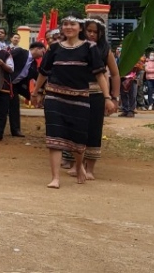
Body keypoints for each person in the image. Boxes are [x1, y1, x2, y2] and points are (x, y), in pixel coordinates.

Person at [32, 15, 115, 189]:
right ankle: (55, 178)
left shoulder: (89, 48)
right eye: (66, 24)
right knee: (54, 136)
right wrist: (36, 92)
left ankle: (79, 166)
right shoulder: (54, 48)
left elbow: (100, 74)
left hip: (80, 98)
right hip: (55, 97)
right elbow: (43, 72)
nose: (68, 27)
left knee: (79, 137)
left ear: (80, 27)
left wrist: (108, 98)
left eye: (73, 24)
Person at [77, 19, 120, 180]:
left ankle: (90, 168)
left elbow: (115, 74)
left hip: (96, 94)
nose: (92, 34)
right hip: (76, 92)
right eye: (89, 31)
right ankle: (77, 165)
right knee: (76, 129)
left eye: (96, 32)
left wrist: (114, 98)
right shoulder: (75, 47)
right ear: (83, 30)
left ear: (101, 33)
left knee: (94, 130)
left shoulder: (105, 50)